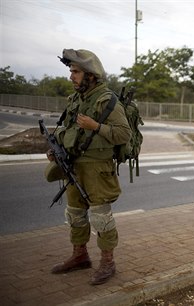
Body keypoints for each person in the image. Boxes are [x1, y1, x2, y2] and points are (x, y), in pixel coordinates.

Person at [46, 49, 131, 285]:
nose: (71, 76)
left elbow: (124, 133)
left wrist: (96, 126)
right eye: (71, 71)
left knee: (101, 217)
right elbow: (69, 129)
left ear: (91, 75)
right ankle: (80, 255)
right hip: (74, 165)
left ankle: (108, 262)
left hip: (97, 168)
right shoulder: (76, 99)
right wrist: (57, 149)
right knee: (74, 213)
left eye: (76, 72)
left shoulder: (107, 100)